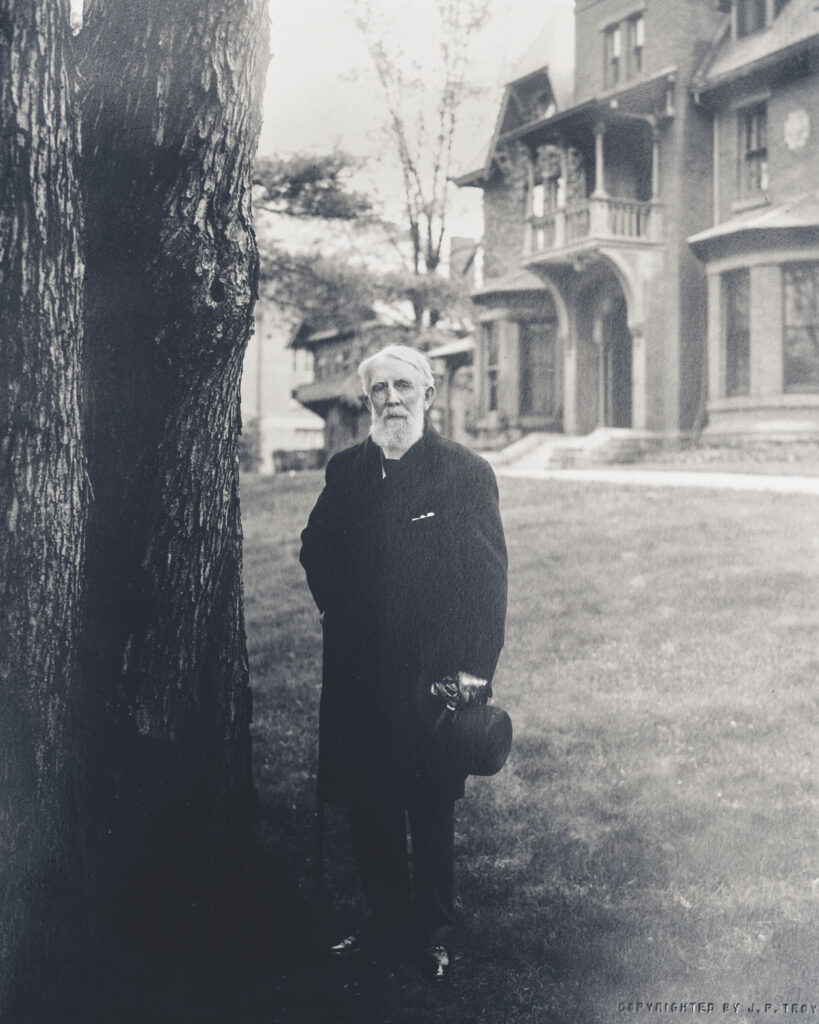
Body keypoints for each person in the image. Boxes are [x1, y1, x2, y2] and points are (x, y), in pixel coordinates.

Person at [299, 344, 507, 982]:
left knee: (429, 797)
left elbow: (488, 580)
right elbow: (314, 549)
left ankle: (436, 931)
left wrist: (473, 673)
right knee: (369, 797)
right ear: (368, 401)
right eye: (379, 390)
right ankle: (384, 920)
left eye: (403, 387)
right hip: (360, 668)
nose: (391, 399)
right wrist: (343, 610)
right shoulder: (348, 472)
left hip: (434, 669)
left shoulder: (464, 472)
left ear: (429, 394)